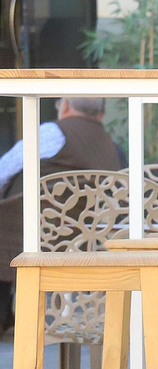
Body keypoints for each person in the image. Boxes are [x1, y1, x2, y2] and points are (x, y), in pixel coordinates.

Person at [0, 97, 122, 327]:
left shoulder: (51, 133)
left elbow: (4, 170)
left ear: (64, 106)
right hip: (81, 240)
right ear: (102, 115)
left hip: (24, 235)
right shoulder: (111, 148)